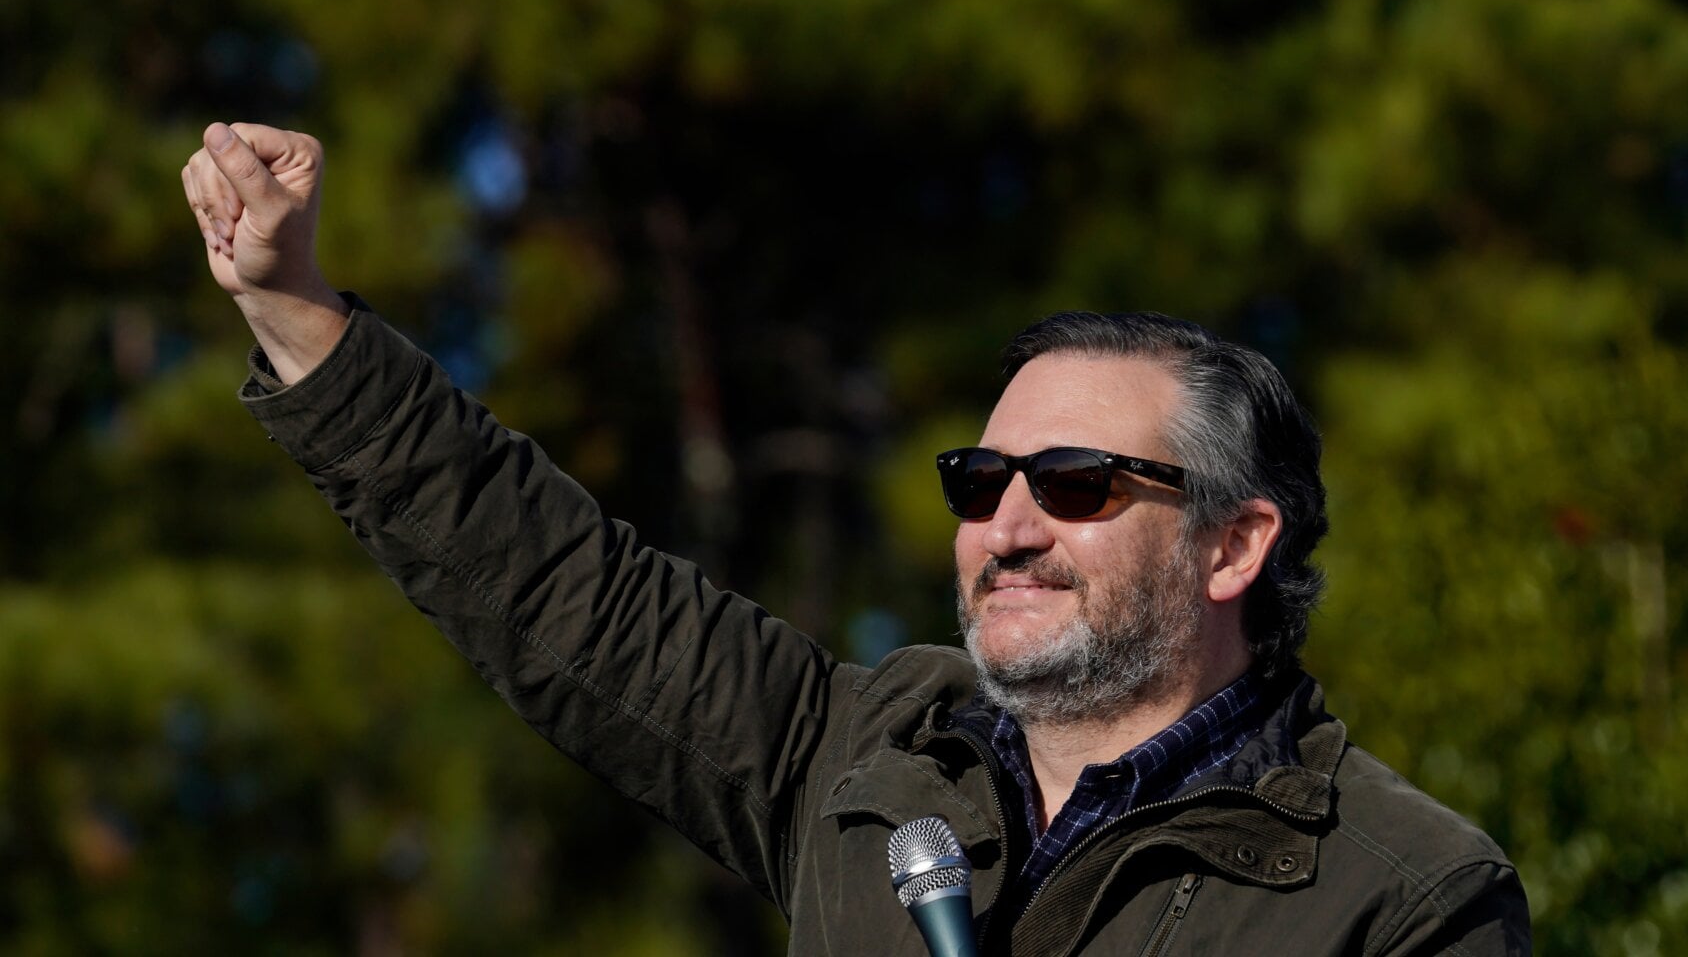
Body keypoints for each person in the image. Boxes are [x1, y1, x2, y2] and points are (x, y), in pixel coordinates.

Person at [181, 122, 1531, 955]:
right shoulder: (868, 765)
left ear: (1234, 548)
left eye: (1072, 483)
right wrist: (299, 312)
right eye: (979, 478)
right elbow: (558, 588)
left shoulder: (1403, 897)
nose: (1006, 523)